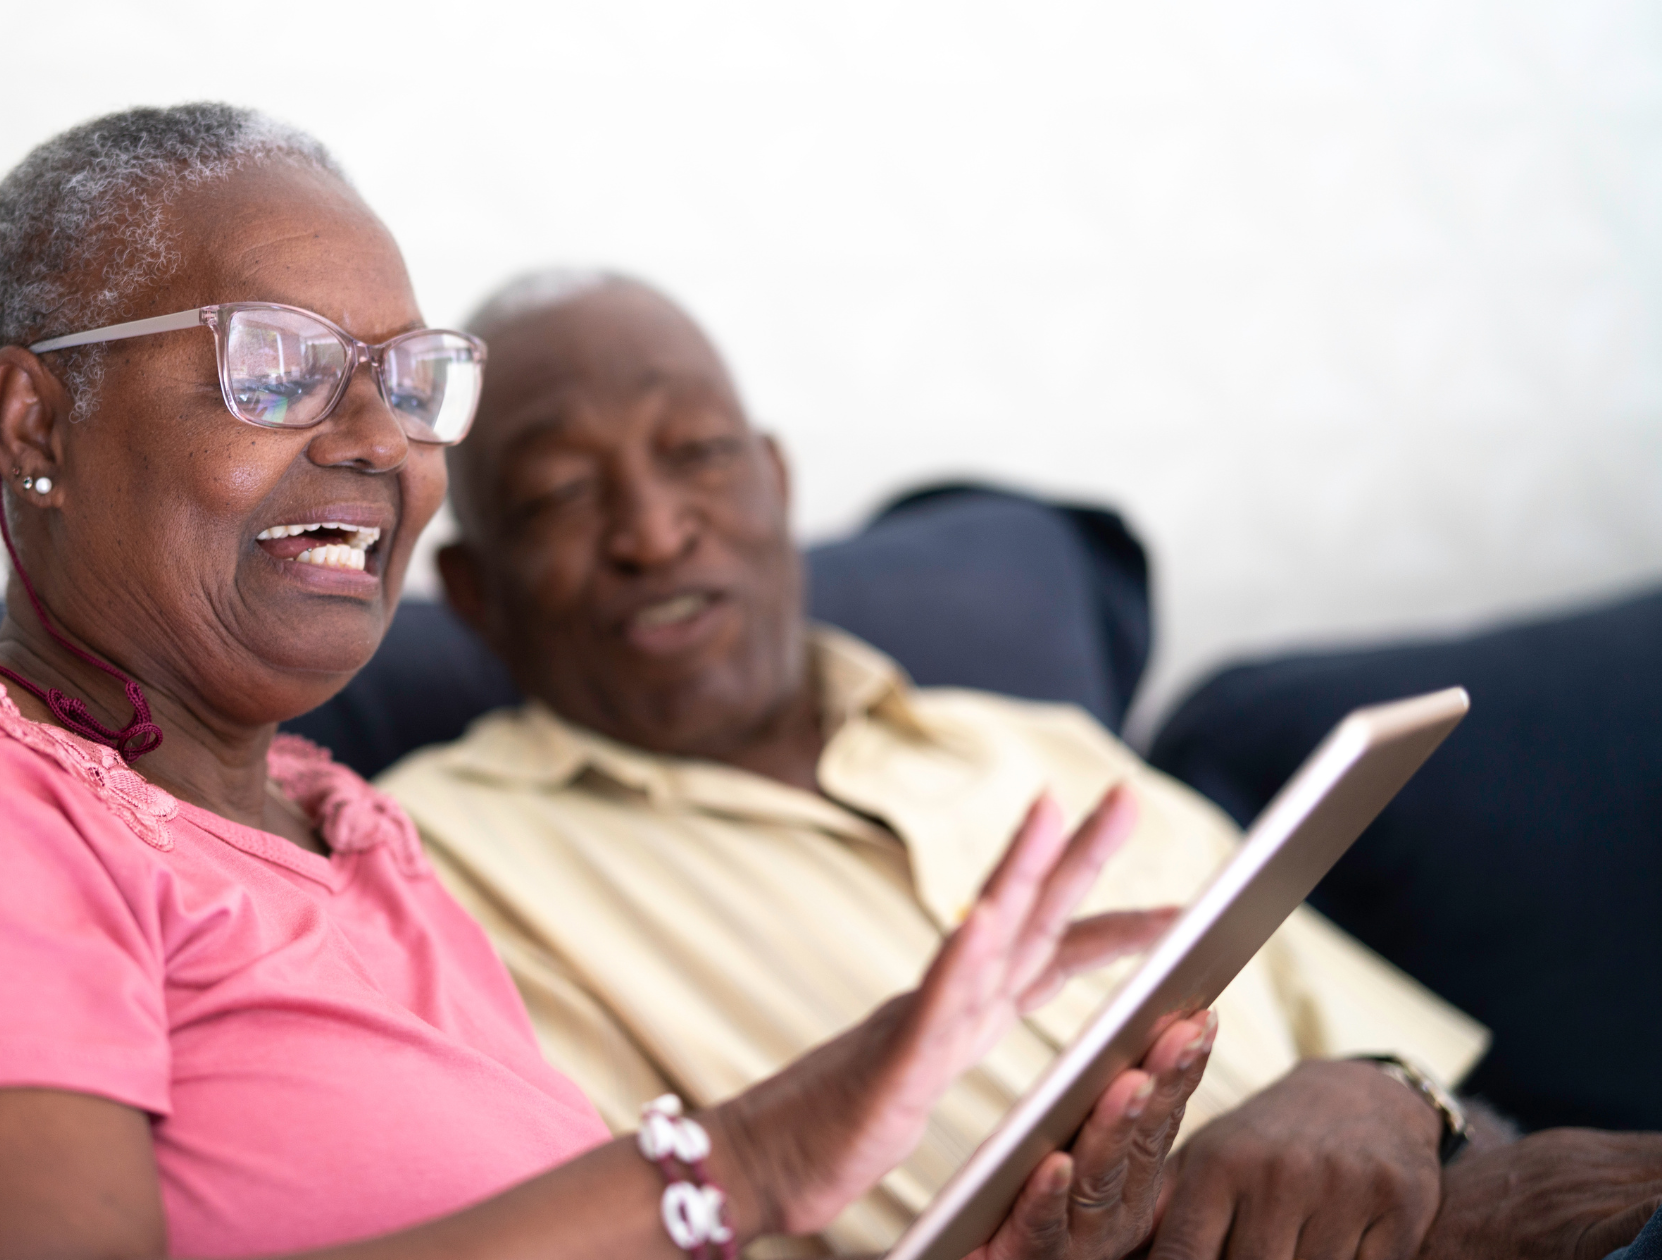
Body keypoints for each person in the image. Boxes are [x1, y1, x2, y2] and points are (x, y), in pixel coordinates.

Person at [0, 106, 1214, 1260]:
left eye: (408, 382)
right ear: (35, 426)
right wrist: (749, 1159)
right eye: (275, 363)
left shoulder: (351, 842)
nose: (372, 438)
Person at [380, 270, 1662, 1259]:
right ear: (478, 596)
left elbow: (1469, 1108)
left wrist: (1383, 1098)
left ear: (773, 487)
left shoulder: (1030, 742)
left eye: (698, 456)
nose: (654, 533)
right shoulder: (437, 863)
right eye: (558, 495)